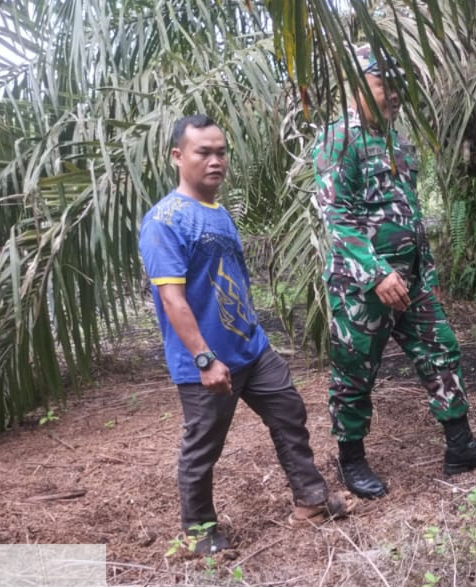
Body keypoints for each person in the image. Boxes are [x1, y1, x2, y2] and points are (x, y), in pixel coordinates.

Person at [311, 45, 476, 499]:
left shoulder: (396, 141)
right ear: (356, 85)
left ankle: (459, 446)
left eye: (398, 84)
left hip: (412, 281)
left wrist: (428, 276)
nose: (395, 93)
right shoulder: (338, 139)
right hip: (361, 286)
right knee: (355, 370)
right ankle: (351, 459)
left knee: (442, 348)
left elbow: (411, 214)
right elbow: (337, 217)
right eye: (384, 82)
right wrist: (376, 273)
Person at [140, 114, 345, 553]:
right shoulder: (164, 220)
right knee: (203, 447)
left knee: (288, 412)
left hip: (251, 349)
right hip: (207, 360)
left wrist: (254, 335)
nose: (216, 161)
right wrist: (203, 359)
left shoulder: (218, 213)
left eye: (221, 151)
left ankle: (311, 500)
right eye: (203, 152)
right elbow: (173, 301)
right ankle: (199, 533)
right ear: (178, 156)